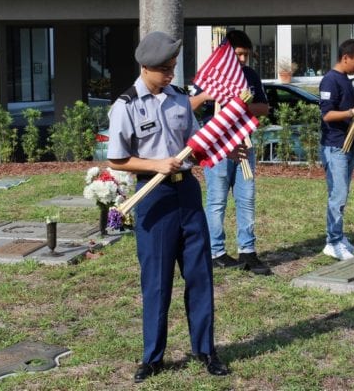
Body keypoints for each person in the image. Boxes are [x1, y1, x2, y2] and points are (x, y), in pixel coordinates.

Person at [106, 31, 228, 383]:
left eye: (173, 67)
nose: (171, 75)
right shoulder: (126, 106)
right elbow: (117, 159)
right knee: (157, 282)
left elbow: (195, 144)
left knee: (200, 274)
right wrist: (155, 164)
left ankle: (205, 349)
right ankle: (152, 357)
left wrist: (222, 148)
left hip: (187, 194)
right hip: (153, 197)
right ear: (145, 67)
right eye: (164, 69)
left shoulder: (178, 100)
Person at [190, 30, 272, 275]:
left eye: (247, 54)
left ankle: (248, 250)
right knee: (217, 201)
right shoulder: (210, 75)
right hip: (218, 147)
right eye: (239, 54)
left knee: (246, 199)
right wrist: (208, 95)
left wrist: (241, 105)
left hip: (244, 144)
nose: (244, 59)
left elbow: (264, 107)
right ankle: (216, 252)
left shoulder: (250, 76)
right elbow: (190, 106)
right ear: (226, 54)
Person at [319, 39, 354, 260]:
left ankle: (339, 236)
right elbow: (327, 115)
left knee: (343, 193)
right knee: (337, 194)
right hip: (335, 146)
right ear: (345, 57)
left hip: (347, 145)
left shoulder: (346, 80)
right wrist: (352, 112)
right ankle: (332, 242)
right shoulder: (330, 81)